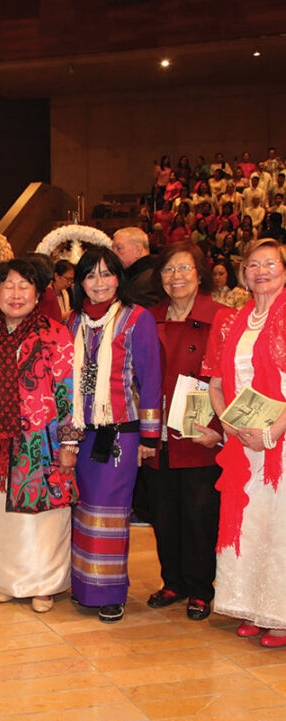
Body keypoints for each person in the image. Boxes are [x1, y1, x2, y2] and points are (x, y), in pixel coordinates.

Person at [67, 247, 162, 622]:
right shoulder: (73, 321)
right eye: (91, 275)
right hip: (80, 432)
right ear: (81, 283)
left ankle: (110, 592)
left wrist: (150, 439)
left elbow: (150, 379)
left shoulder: (137, 320)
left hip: (120, 436)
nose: (100, 283)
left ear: (119, 279)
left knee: (110, 513)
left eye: (107, 274)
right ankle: (84, 586)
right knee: (82, 510)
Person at [0, 259, 78, 614]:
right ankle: (6, 581)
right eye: (8, 286)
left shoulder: (54, 333)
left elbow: (69, 392)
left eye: (25, 286)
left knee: (44, 518)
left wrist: (69, 443)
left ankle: (44, 585)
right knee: (1, 514)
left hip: (43, 441)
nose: (16, 294)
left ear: (38, 294)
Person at [205, 239, 286, 647]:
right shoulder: (231, 321)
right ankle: (252, 606)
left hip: (281, 440)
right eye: (253, 264)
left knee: (279, 525)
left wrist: (273, 432)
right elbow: (217, 383)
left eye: (270, 263)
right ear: (243, 273)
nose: (261, 271)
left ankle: (281, 614)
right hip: (243, 439)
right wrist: (229, 424)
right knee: (249, 523)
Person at [143, 242, 225, 621]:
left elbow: (235, 378)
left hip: (201, 431)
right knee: (165, 512)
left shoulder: (222, 318)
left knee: (199, 514)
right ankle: (172, 581)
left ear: (200, 274)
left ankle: (200, 587)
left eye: (184, 269)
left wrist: (219, 429)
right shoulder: (148, 317)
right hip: (157, 430)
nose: (176, 277)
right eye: (169, 270)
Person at [112, 227, 160, 307]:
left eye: (119, 248)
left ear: (138, 250)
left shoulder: (148, 282)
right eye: (113, 249)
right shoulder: (137, 276)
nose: (113, 254)